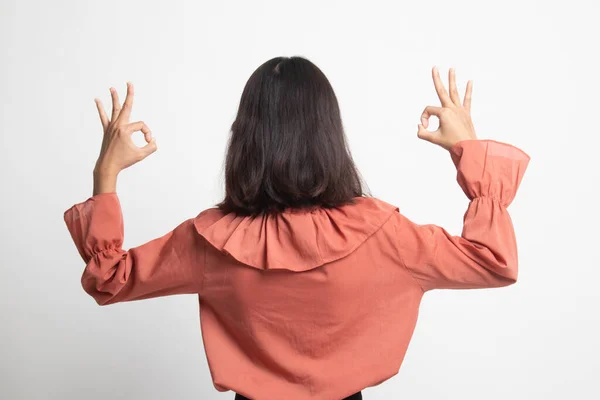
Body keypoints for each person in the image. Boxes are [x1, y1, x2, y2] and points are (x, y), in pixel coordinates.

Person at [63, 57, 530, 400]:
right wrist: (467, 149)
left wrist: (106, 175)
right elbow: (494, 262)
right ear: (329, 134)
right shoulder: (385, 235)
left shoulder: (212, 241)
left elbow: (109, 279)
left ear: (245, 136)